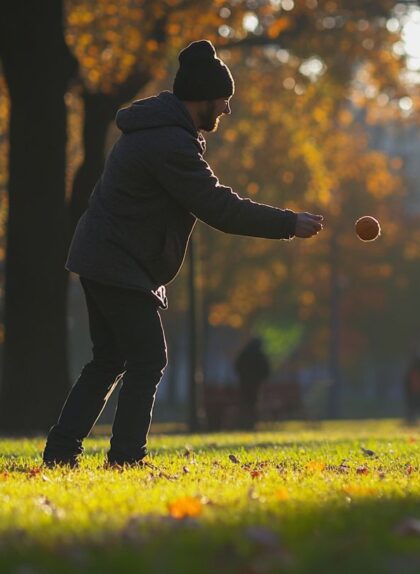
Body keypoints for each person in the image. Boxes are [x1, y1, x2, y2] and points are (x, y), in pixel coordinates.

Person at [43, 40, 324, 468]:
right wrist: (288, 223)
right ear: (204, 98)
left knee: (109, 360)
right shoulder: (169, 143)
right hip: (116, 260)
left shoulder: (159, 132)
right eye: (223, 101)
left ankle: (63, 453)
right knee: (149, 358)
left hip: (101, 256)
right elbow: (218, 207)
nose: (226, 110)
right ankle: (125, 459)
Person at [234, 337, 270, 430]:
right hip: (256, 385)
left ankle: (244, 424)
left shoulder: (244, 354)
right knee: (253, 404)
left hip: (244, 383)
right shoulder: (260, 356)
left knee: (245, 404)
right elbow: (266, 370)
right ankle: (252, 424)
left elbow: (237, 367)